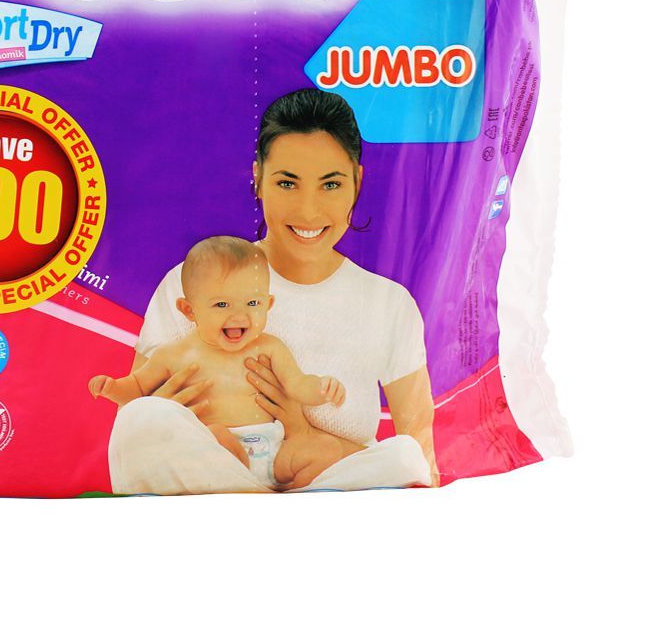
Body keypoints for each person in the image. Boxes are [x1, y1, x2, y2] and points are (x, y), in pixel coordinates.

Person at [107, 89, 439, 494]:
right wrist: (169, 416)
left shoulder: (389, 304)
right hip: (209, 492)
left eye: (331, 184)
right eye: (287, 183)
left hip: (327, 496)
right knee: (140, 422)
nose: (308, 211)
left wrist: (303, 432)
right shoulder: (191, 282)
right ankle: (263, 509)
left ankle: (267, 510)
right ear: (258, 178)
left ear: (357, 181)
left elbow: (422, 460)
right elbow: (136, 421)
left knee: (405, 457)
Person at [88, 236, 354, 489]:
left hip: (274, 452)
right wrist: (113, 388)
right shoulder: (174, 355)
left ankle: (289, 494)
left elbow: (297, 384)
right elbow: (138, 389)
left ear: (268, 304)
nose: (239, 315)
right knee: (215, 435)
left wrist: (321, 389)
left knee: (327, 448)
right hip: (218, 453)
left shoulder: (270, 347)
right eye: (222, 305)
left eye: (252, 303)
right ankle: (244, 489)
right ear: (189, 310)